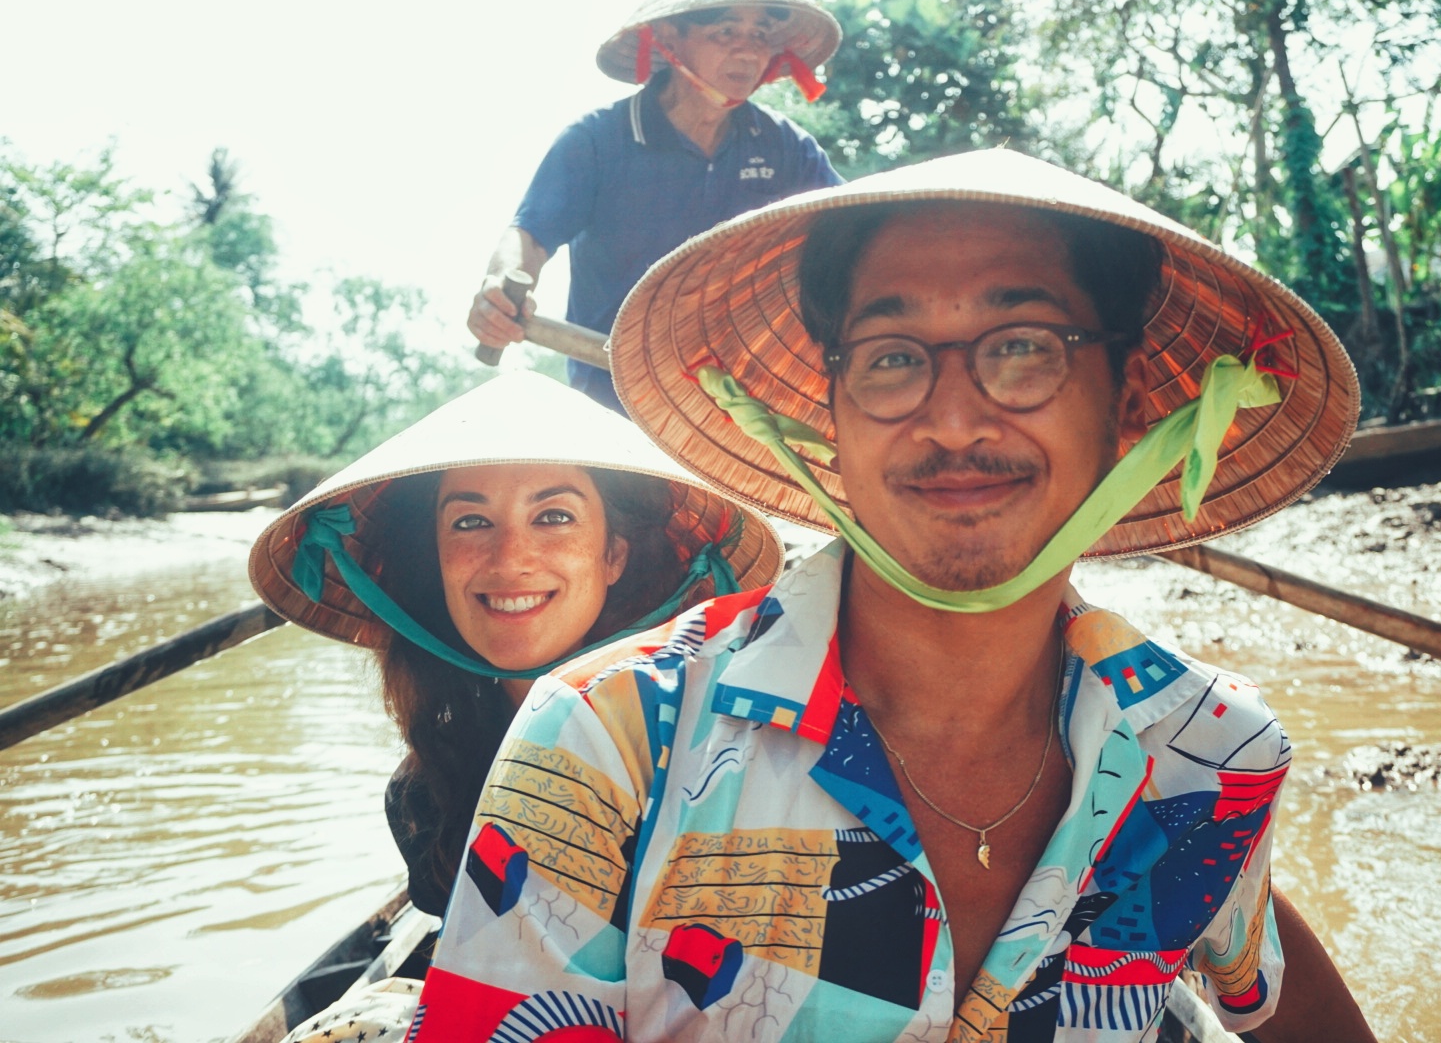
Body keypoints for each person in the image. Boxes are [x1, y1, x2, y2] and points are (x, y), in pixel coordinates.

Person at [410, 152, 1378, 1041]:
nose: (952, 421)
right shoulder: (605, 740)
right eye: (888, 359)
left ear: (1126, 404)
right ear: (827, 419)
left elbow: (1276, 1002)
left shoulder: (1207, 752)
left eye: (1025, 347)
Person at [248, 371, 783, 918]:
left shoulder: (713, 752)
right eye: (471, 521)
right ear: (435, 560)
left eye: (553, 516)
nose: (508, 559)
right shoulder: (427, 792)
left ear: (613, 556)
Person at [465, 0, 844, 412]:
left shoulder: (783, 147)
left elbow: (852, 233)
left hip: (744, 409)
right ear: (668, 38)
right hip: (617, 400)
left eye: (760, 35)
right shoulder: (598, 141)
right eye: (725, 31)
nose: (748, 50)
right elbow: (528, 236)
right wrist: (499, 288)